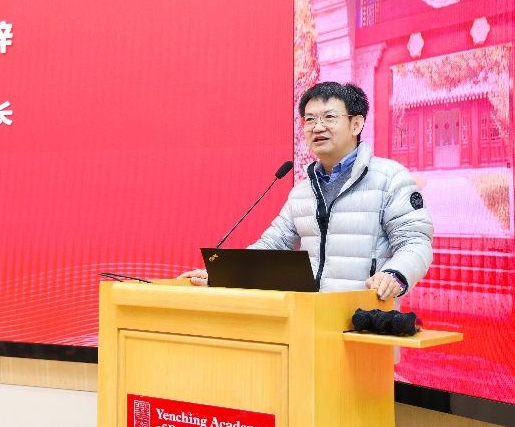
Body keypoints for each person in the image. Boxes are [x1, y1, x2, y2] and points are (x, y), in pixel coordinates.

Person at [178, 82, 432, 301]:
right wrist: (223, 273)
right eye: (310, 119)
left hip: (366, 318)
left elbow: (415, 242)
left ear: (356, 124)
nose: (317, 127)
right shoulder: (302, 191)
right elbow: (273, 244)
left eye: (329, 117)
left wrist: (395, 275)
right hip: (310, 318)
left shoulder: (390, 178)